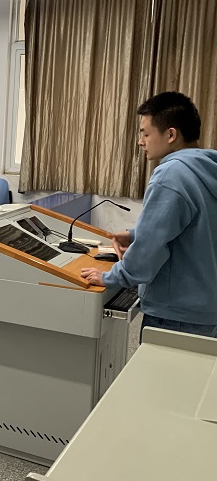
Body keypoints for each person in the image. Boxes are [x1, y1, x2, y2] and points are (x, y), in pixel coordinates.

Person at [81, 92, 217, 339]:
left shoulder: (171, 175)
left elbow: (149, 250)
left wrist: (112, 276)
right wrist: (135, 234)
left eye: (145, 133)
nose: (140, 142)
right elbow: (200, 227)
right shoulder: (208, 170)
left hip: (176, 315)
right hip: (207, 308)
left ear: (171, 134)